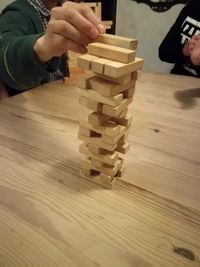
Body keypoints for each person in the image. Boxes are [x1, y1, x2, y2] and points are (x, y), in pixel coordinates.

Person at [0, 0, 105, 97]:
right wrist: (42, 47)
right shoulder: (15, 14)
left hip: (57, 97)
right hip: (31, 108)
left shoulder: (59, 8)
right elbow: (6, 58)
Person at [159, 0, 200, 78]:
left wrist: (197, 62)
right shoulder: (193, 5)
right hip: (178, 77)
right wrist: (184, 51)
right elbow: (163, 51)